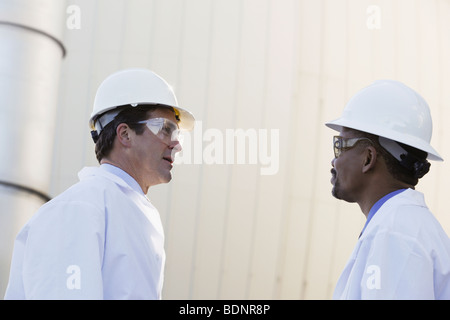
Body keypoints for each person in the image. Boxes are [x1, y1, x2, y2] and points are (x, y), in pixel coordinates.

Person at [4, 68, 195, 299]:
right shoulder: (79, 209)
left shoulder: (134, 213)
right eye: (165, 129)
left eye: (176, 133)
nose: (177, 145)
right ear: (124, 134)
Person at [326, 80, 450, 299]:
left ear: (368, 158)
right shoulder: (402, 226)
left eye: (340, 146)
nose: (334, 162)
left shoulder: (395, 233)